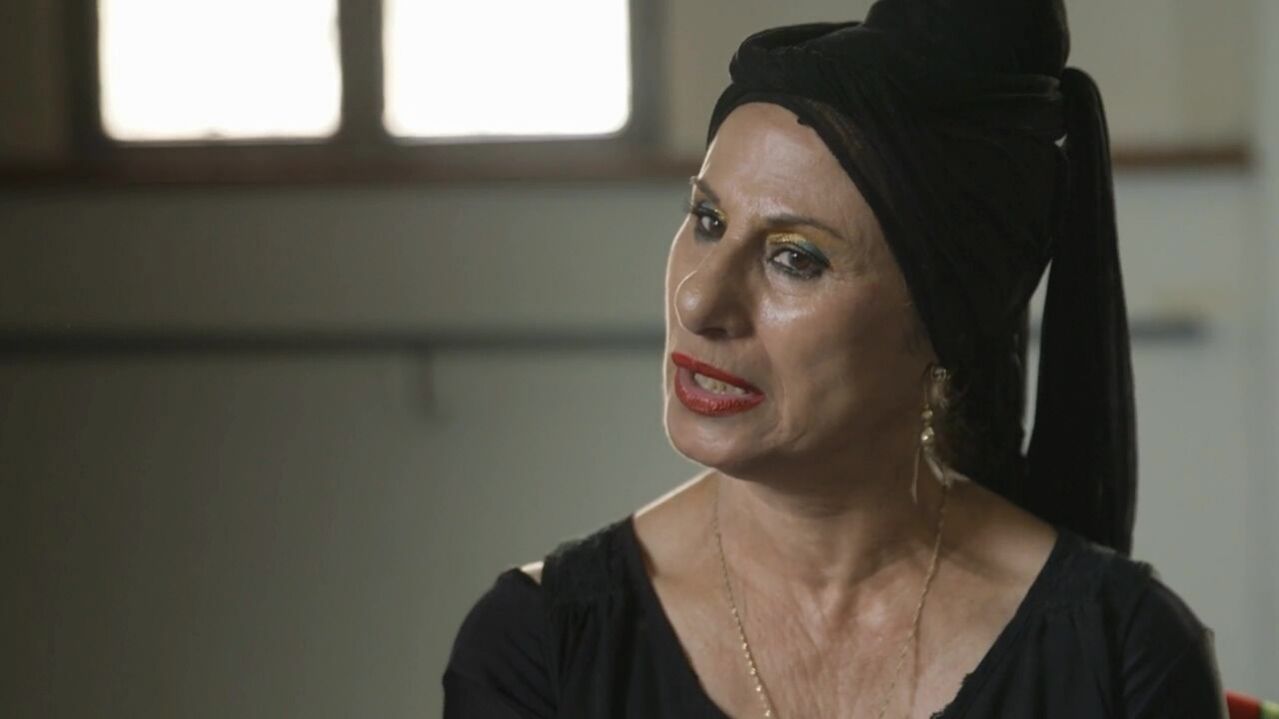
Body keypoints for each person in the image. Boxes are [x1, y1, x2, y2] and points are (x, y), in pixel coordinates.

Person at [442, 0, 1227, 716]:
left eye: (794, 258)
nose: (697, 300)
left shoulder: (1125, 654)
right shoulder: (539, 649)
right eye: (707, 220)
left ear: (944, 324)